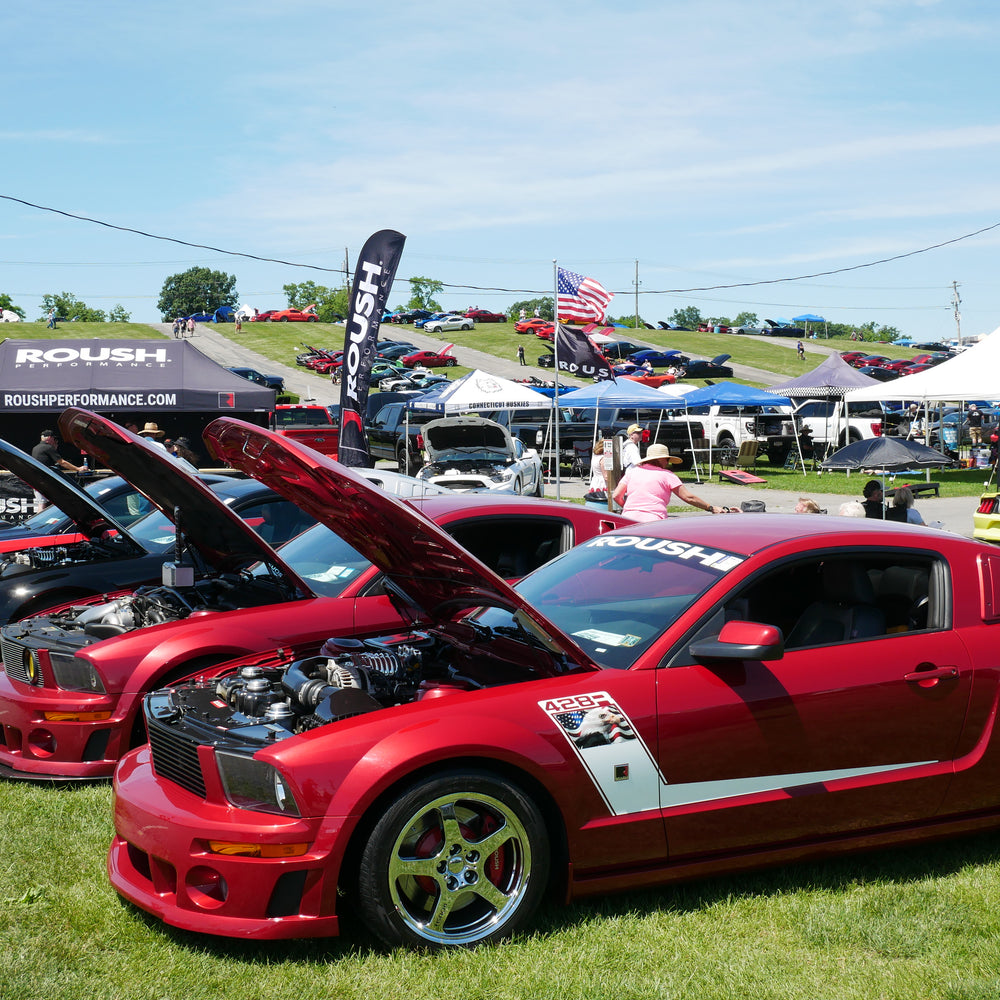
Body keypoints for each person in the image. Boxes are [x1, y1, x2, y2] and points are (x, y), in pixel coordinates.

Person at [612, 444, 728, 521]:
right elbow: (688, 497)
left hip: (628, 519)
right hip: (654, 520)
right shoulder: (667, 475)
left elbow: (616, 495)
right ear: (661, 459)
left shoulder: (633, 472)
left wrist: (629, 508)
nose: (667, 462)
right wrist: (710, 508)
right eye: (667, 459)